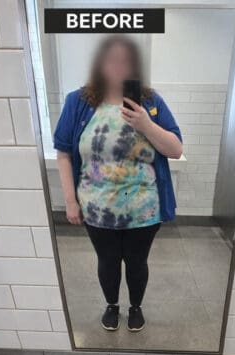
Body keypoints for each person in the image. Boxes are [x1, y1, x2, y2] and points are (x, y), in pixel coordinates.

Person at [53, 35, 183, 333]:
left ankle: (136, 307)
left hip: (144, 209)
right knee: (108, 261)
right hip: (96, 209)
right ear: (99, 63)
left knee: (137, 262)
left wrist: (146, 124)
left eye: (126, 60)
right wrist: (70, 201)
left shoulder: (150, 102)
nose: (119, 66)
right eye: (112, 59)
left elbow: (175, 149)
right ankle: (112, 305)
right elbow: (64, 153)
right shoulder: (78, 101)